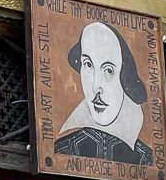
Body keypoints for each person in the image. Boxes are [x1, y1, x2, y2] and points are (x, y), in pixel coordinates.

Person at [53, 20, 153, 164]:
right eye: (87, 64)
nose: (96, 87)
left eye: (108, 70)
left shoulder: (145, 159)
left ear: (126, 77)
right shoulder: (61, 150)